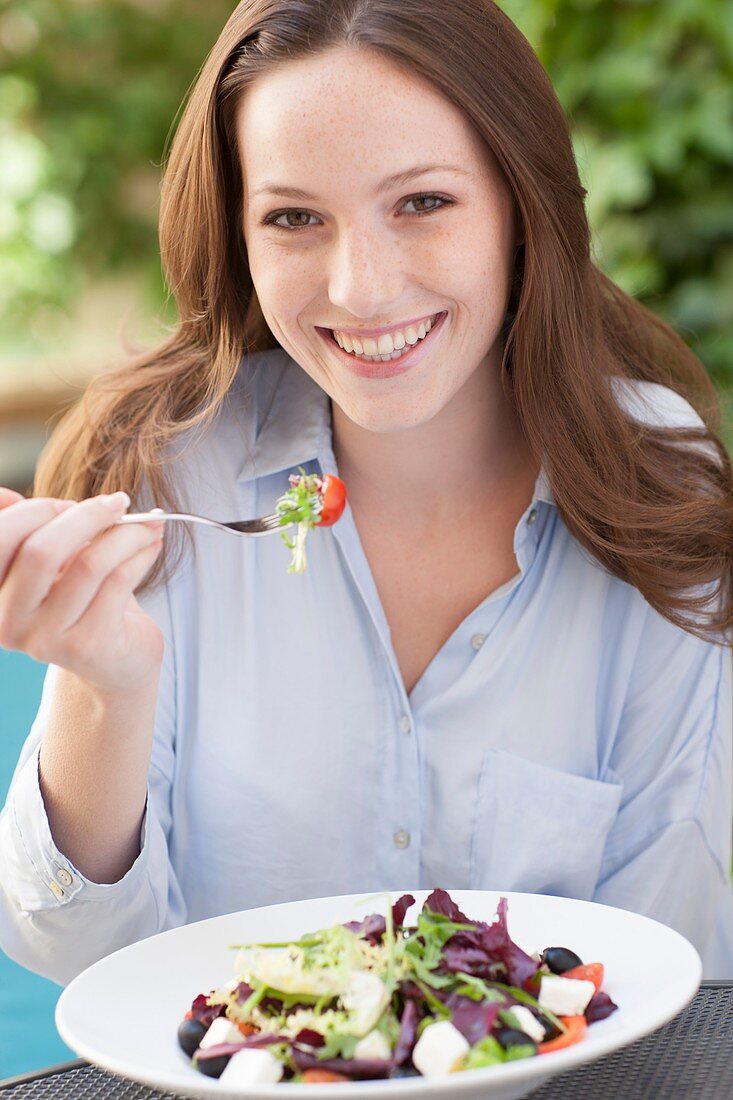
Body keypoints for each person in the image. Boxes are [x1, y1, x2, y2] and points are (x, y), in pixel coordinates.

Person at [1, 0, 732, 987]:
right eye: (294, 218)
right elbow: (74, 952)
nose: (362, 288)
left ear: (520, 207)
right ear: (239, 234)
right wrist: (109, 682)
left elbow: (667, 965)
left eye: (422, 202)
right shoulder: (171, 472)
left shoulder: (662, 482)